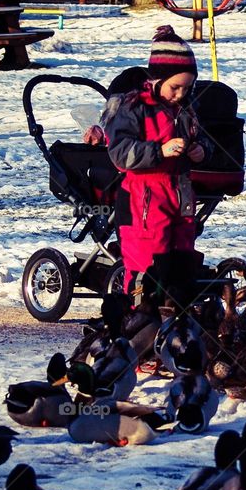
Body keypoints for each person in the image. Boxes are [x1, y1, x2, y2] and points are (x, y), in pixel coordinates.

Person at [86, 25, 211, 296]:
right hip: (144, 198)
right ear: (157, 80)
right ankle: (139, 319)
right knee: (148, 264)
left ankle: (177, 320)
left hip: (181, 196)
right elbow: (119, 153)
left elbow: (203, 139)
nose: (180, 94)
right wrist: (159, 151)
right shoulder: (134, 108)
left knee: (181, 263)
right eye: (175, 87)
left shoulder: (187, 110)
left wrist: (201, 150)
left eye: (187, 88)